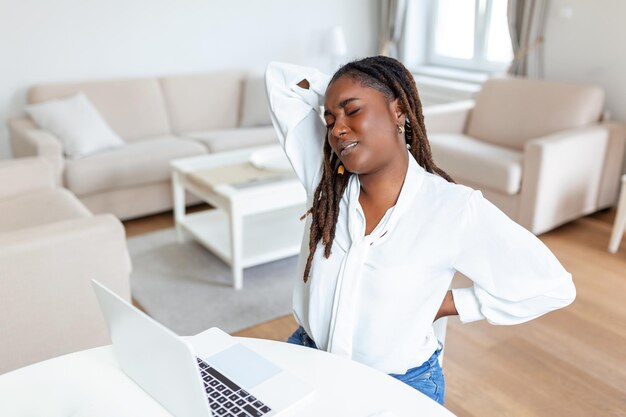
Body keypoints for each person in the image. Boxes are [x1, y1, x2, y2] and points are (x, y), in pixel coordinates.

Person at [264, 56, 576, 405]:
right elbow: (280, 79)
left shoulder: (452, 208)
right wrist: (338, 90)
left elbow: (552, 286)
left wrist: (449, 303)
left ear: (399, 111)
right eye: (330, 119)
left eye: (353, 111)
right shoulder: (325, 181)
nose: (337, 129)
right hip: (309, 358)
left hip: (400, 385)